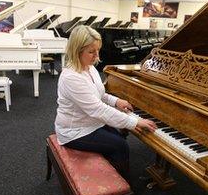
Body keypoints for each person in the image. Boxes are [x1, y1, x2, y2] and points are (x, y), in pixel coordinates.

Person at [55, 25, 157, 179]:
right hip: (74, 131)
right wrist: (135, 122)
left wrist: (117, 101)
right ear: (76, 51)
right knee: (120, 145)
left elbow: (99, 94)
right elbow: (98, 109)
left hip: (91, 123)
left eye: (98, 50)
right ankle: (120, 189)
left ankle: (113, 173)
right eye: (91, 51)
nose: (96, 56)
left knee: (119, 138)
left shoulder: (89, 68)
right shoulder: (71, 77)